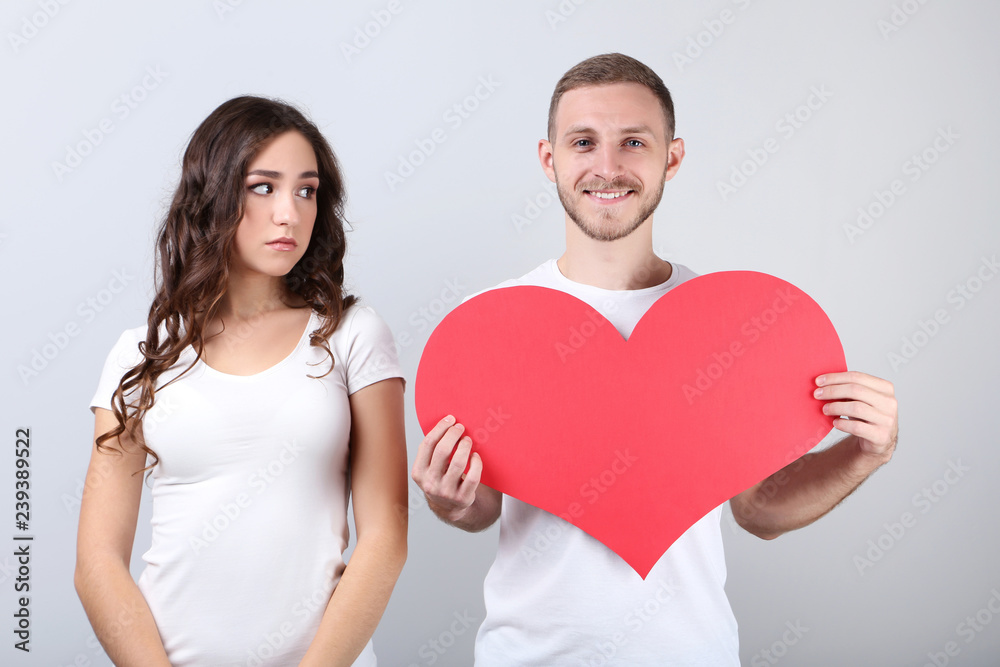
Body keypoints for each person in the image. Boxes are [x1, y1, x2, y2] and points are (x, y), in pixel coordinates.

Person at [411, 53, 898, 665]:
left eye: (634, 141)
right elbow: (480, 507)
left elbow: (760, 511)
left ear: (672, 157)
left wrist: (863, 452)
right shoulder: (490, 325)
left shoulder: (732, 328)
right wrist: (447, 499)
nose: (607, 167)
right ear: (549, 159)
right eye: (583, 142)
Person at [75, 96, 407, 667]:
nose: (290, 213)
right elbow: (97, 561)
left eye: (307, 190)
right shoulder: (141, 354)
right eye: (263, 187)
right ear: (214, 195)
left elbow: (386, 537)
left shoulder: (352, 334)